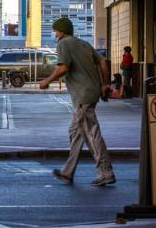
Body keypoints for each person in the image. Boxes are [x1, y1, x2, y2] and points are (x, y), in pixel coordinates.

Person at [39, 17, 116, 187]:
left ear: (63, 31)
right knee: (76, 132)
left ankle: (106, 171)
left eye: (56, 30)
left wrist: (47, 81)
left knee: (91, 134)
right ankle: (67, 172)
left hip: (83, 96)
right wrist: (104, 83)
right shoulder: (84, 44)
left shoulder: (63, 45)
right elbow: (102, 62)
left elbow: (63, 68)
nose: (55, 33)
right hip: (92, 93)